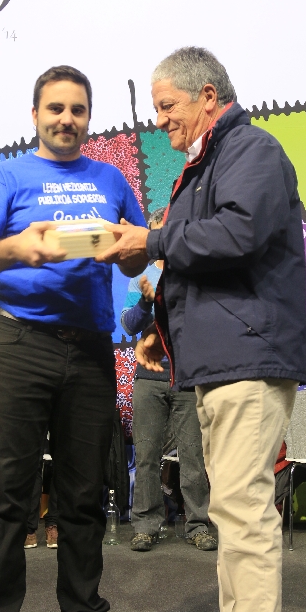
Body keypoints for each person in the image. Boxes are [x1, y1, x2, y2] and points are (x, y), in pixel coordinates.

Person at [96, 47, 306, 612]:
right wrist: (159, 331)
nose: (160, 119)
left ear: (208, 96)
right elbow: (200, 265)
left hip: (247, 360)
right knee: (232, 517)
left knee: (243, 521)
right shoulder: (208, 162)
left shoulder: (251, 149)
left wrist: (152, 239)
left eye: (167, 106)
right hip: (220, 361)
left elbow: (238, 235)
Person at [0, 65, 146, 612]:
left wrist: (129, 246)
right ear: (35, 115)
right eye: (55, 108)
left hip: (89, 350)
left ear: (89, 118)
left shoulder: (111, 179)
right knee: (5, 497)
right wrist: (19, 247)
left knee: (84, 496)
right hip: (17, 345)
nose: (67, 119)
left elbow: (137, 257)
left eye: (78, 110)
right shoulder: (5, 176)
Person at [121, 207, 215, 552]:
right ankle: (146, 526)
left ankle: (198, 524)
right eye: (158, 231)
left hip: (187, 376)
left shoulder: (194, 273)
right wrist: (146, 303)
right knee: (146, 454)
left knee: (193, 455)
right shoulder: (141, 276)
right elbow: (128, 324)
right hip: (149, 378)